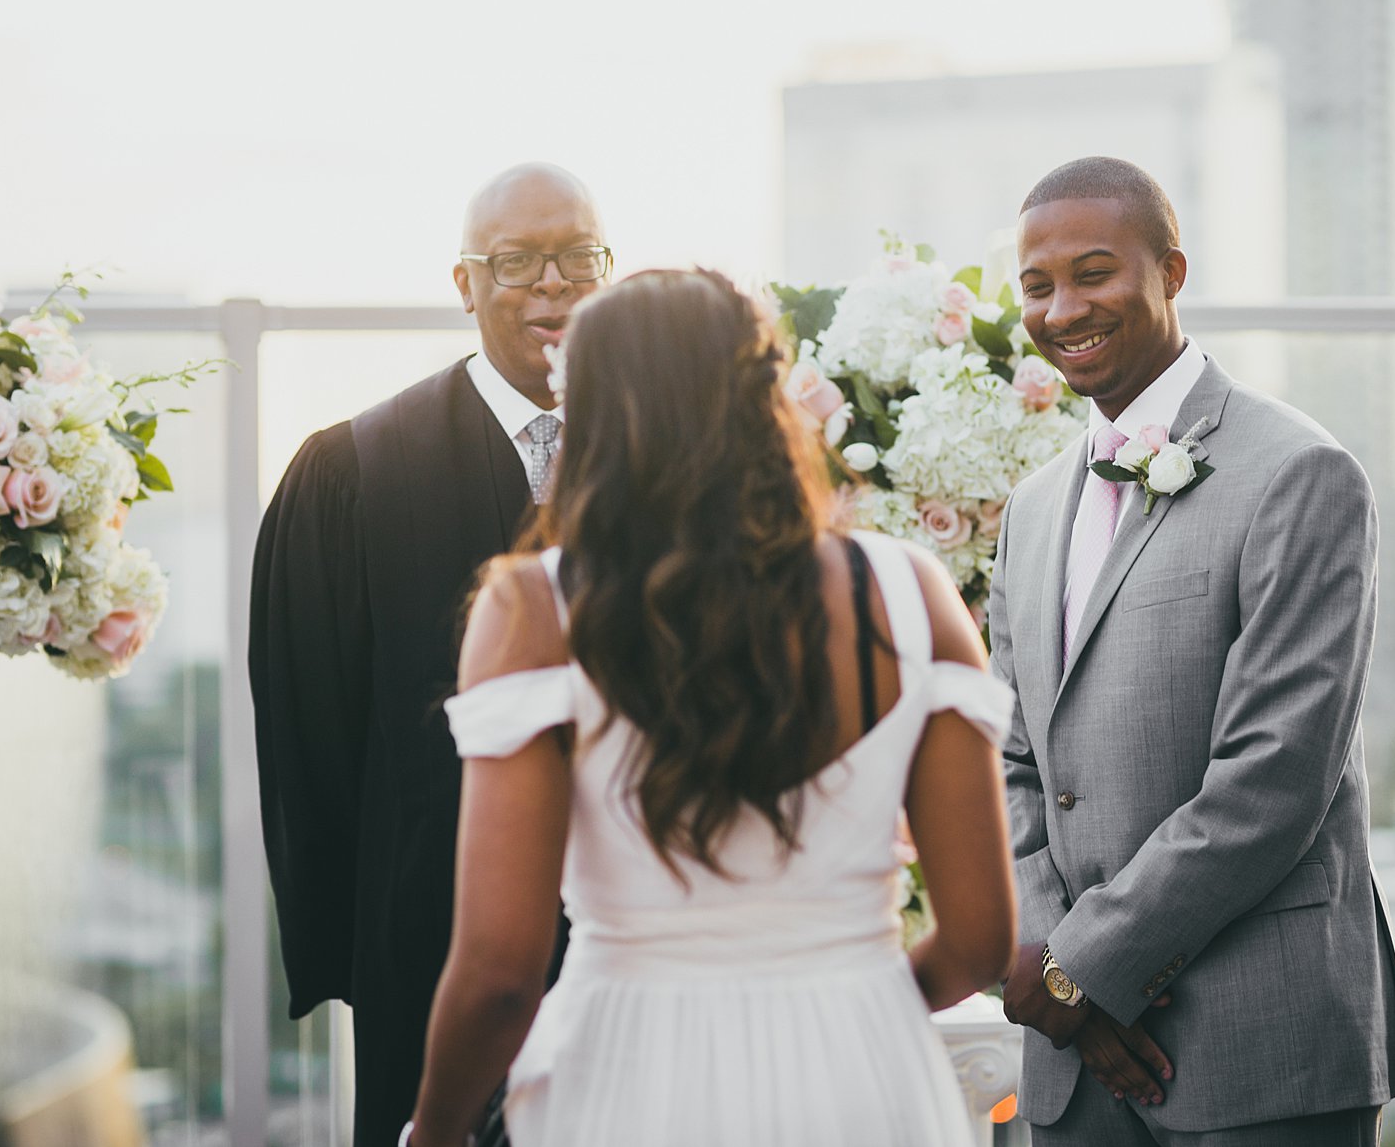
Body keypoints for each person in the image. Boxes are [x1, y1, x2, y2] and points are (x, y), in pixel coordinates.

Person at [401, 269, 1018, 1147]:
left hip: (628, 1082)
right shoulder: (910, 593)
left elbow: (502, 972)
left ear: (596, 417)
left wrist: (433, 1133)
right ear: (766, 401)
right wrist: (851, 996)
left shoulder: (533, 611)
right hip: (866, 1080)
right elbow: (982, 938)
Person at [990, 157, 1395, 1145]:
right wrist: (1059, 981)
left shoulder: (1298, 473)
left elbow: (1272, 778)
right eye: (1035, 284)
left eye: (1092, 273)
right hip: (1071, 1072)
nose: (1062, 308)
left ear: (1170, 273)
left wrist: (1076, 973)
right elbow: (1007, 758)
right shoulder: (1028, 509)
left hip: (1258, 1044)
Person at [248, 163, 612, 1146]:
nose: (552, 284)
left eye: (579, 256)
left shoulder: (655, 464)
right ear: (464, 284)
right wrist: (352, 945)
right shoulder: (354, 471)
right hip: (429, 949)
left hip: (636, 950)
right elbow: (308, 737)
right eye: (516, 262)